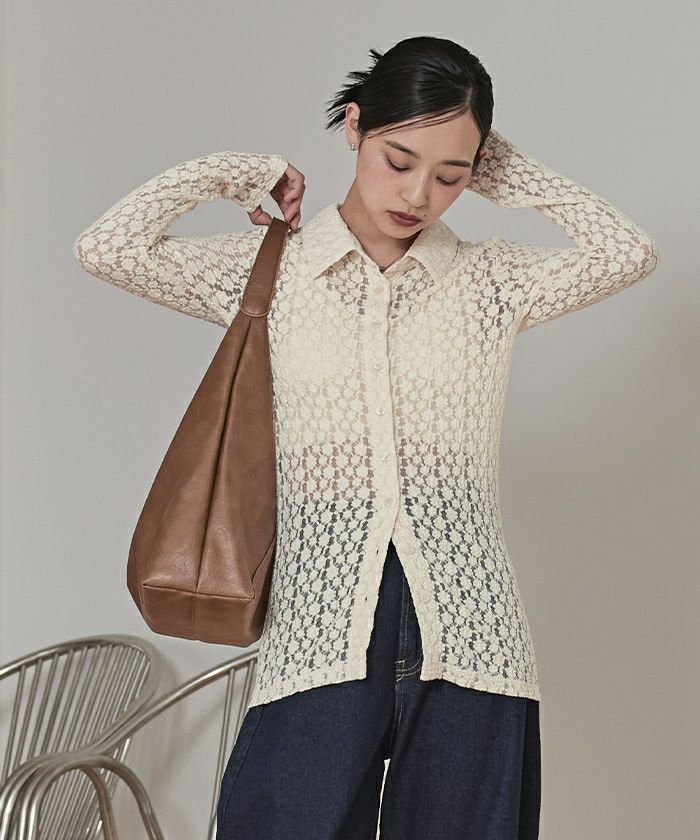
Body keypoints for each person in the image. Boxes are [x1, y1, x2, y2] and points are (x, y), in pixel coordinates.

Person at [73, 35, 659, 840]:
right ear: (354, 127)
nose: (418, 193)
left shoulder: (492, 283)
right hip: (321, 634)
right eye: (399, 159)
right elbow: (107, 247)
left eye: (451, 176)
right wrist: (243, 173)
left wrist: (504, 169)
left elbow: (629, 252)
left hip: (472, 637)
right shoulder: (272, 274)